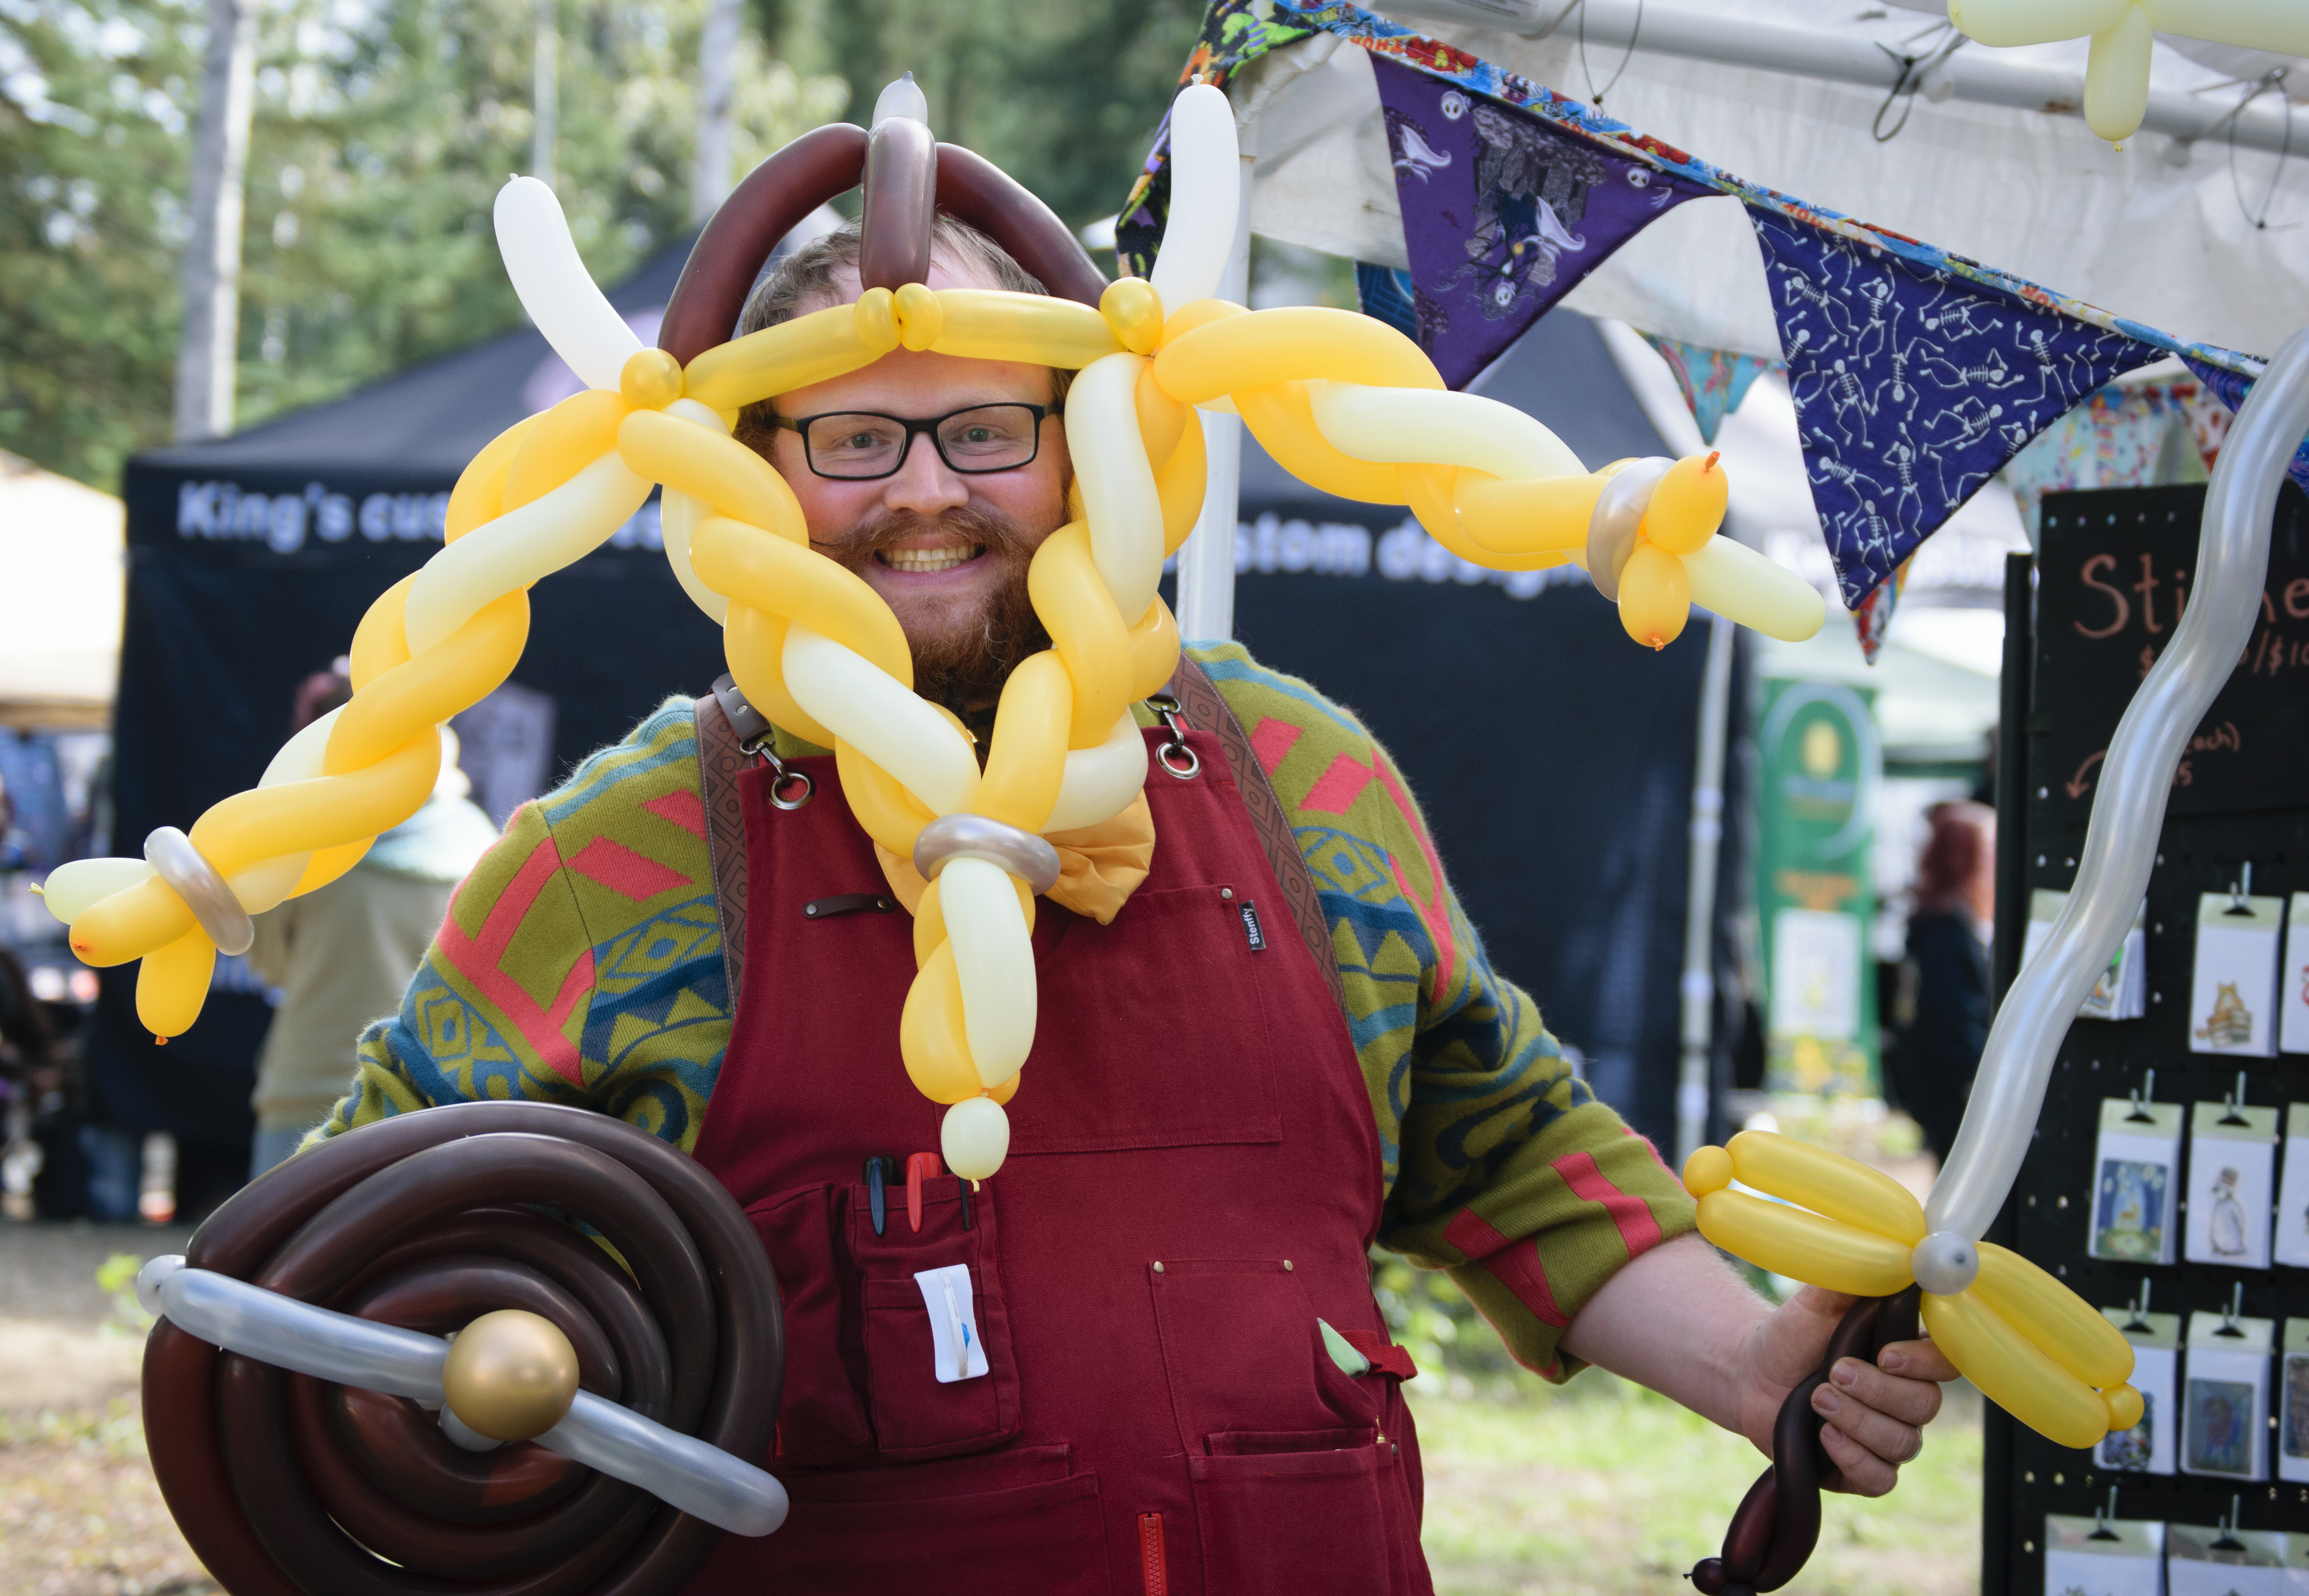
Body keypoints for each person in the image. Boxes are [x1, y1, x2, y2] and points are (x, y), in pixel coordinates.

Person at [313, 214, 1954, 1591]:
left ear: (1086, 440)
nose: (927, 492)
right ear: (749, 471)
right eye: (853, 438)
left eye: (988, 428)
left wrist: (1750, 1367)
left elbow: (1500, 1148)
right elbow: (358, 1282)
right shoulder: (614, 859)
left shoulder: (1298, 772)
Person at [246, 671, 497, 1176]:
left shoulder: (298, 837)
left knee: (277, 1253)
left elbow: (268, 963)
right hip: (429, 1097)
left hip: (307, 1091)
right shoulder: (482, 838)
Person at [1893, 801, 1995, 1160]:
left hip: (1936, 1083)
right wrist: (1972, 1078)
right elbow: (1951, 1010)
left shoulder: (1933, 923)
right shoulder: (1947, 930)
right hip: (1955, 1089)